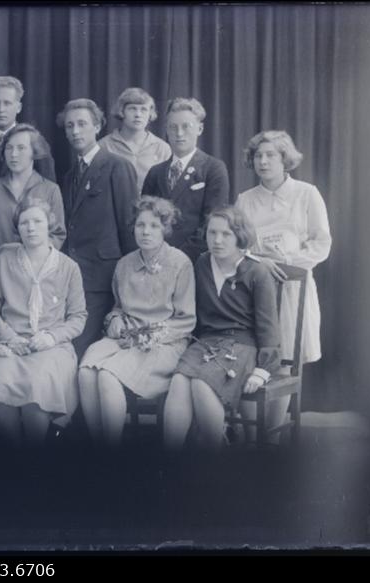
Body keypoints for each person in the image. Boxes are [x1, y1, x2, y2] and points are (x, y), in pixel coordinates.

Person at [0, 196, 87, 446]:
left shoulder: (69, 267)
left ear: (49, 225)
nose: (31, 228)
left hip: (51, 346)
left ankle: (34, 453)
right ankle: (15, 453)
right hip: (9, 341)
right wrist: (10, 337)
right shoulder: (4, 261)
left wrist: (51, 337)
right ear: (18, 228)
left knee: (38, 385)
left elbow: (78, 317)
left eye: (37, 221)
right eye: (24, 223)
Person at [236, 130, 332, 436]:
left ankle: (272, 436)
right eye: (258, 156)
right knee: (249, 357)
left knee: (283, 361)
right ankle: (250, 438)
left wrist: (288, 261)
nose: (263, 162)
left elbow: (322, 243)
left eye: (270, 155)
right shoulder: (245, 200)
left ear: (284, 159)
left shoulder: (306, 193)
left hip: (292, 290)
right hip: (252, 291)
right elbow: (236, 246)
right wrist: (259, 261)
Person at [79, 197, 195, 447]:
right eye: (140, 225)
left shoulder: (180, 263)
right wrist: (115, 319)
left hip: (163, 343)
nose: (146, 232)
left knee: (108, 375)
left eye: (154, 226)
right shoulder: (125, 264)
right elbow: (118, 307)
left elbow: (186, 321)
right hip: (126, 339)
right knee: (86, 370)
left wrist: (150, 336)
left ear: (165, 228)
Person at [163, 207, 281, 450]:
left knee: (202, 384)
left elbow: (268, 326)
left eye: (226, 234)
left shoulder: (257, 271)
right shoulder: (202, 264)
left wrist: (263, 370)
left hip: (242, 345)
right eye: (212, 233)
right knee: (179, 381)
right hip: (207, 342)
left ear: (239, 236)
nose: (217, 240)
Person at [58, 98, 139, 359]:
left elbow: (129, 227)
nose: (75, 131)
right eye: (70, 126)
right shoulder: (69, 176)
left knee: (82, 350)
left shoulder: (118, 166)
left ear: (97, 126)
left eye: (82, 124)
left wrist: (127, 284)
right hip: (72, 279)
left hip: (104, 279)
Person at [0, 123, 66, 280]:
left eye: (21, 148)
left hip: (36, 276)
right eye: (9, 148)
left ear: (34, 152)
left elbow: (57, 234)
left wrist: (32, 261)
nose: (13, 154)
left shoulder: (51, 190)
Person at [141, 97, 230, 263]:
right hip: (155, 259)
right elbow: (144, 218)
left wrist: (178, 257)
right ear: (166, 130)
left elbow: (212, 222)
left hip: (195, 260)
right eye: (173, 127)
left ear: (200, 129)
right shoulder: (156, 172)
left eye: (186, 126)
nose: (179, 133)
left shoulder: (213, 168)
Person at [0, 76, 57, 182]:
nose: (1, 109)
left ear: (19, 107)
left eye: (7, 103)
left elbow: (48, 185)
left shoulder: (36, 142)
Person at [99, 87, 171, 192]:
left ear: (150, 114)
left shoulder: (162, 148)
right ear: (122, 111)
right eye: (132, 109)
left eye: (143, 109)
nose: (138, 115)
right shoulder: (104, 146)